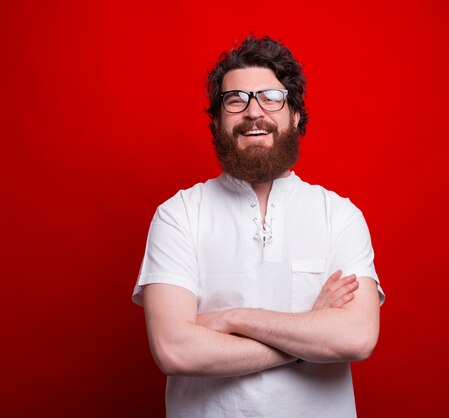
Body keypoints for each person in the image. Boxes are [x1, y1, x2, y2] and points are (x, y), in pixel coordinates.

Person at [132, 35, 385, 418]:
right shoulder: (178, 214)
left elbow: (357, 337)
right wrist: (307, 336)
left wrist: (233, 318)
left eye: (271, 97)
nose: (254, 113)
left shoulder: (340, 216)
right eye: (236, 100)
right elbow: (174, 349)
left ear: (295, 115)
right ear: (217, 120)